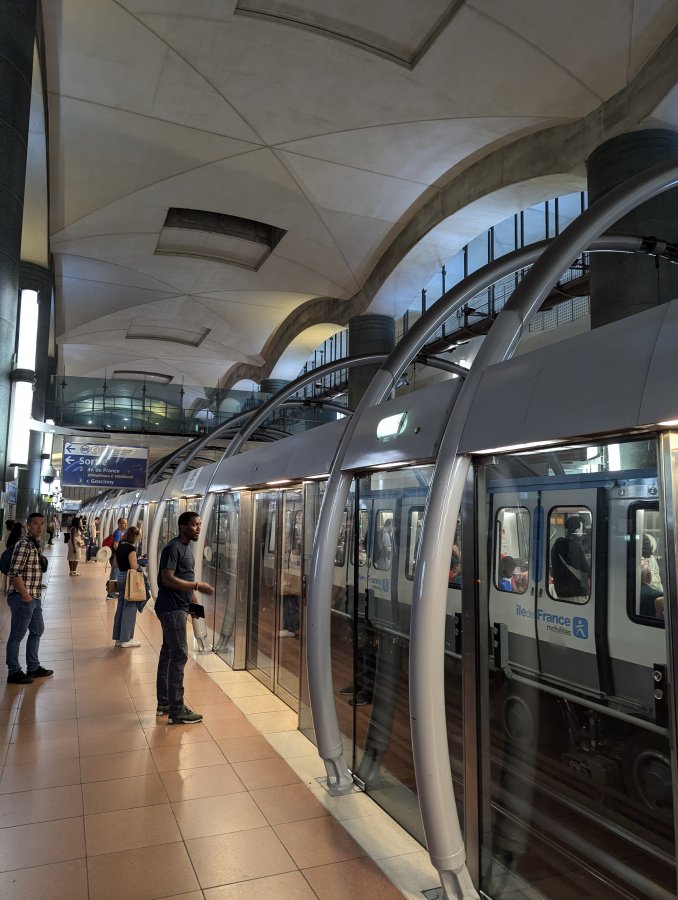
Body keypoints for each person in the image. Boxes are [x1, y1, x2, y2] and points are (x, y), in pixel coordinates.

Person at [155, 511, 213, 724]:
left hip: (178, 607)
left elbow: (185, 579)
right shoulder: (173, 548)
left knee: (168, 653)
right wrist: (197, 585)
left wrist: (195, 608)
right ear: (182, 526)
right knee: (179, 655)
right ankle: (177, 710)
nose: (198, 528)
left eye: (199, 524)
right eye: (194, 524)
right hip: (172, 609)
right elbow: (167, 579)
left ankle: (164, 703)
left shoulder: (187, 548)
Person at [6, 512, 53, 684]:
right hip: (23, 597)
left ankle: (33, 667)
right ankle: (14, 671)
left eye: (42, 523)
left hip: (34, 597)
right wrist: (25, 596)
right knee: (17, 634)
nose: (39, 527)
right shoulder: (24, 544)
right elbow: (14, 572)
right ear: (28, 525)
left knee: (37, 630)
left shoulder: (35, 544)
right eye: (35, 523)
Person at [112, 525, 145, 648]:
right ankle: (126, 639)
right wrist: (141, 565)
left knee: (120, 608)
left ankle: (118, 639)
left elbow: (115, 564)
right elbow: (133, 566)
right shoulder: (131, 548)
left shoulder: (120, 546)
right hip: (129, 579)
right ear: (134, 536)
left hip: (121, 577)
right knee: (130, 608)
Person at [551, 515, 590, 602]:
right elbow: (584, 572)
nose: (582, 531)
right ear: (577, 530)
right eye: (581, 528)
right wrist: (585, 589)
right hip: (576, 593)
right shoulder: (575, 546)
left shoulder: (556, 545)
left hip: (560, 592)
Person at [106, 517, 127, 598]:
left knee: (116, 574)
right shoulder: (118, 533)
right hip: (116, 556)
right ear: (119, 524)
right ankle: (111, 594)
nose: (126, 525)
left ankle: (114, 592)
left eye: (126, 523)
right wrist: (120, 554)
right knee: (114, 574)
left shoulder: (121, 532)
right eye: (124, 523)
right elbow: (115, 545)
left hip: (116, 556)